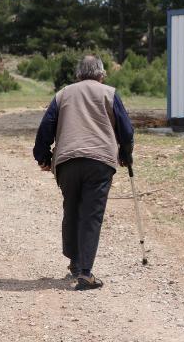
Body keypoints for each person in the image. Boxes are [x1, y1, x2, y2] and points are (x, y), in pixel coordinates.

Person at [33, 55, 134, 291]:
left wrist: (43, 157)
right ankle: (85, 273)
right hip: (99, 161)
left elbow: (45, 127)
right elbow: (126, 130)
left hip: (67, 161)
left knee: (72, 207)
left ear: (78, 74)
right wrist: (125, 155)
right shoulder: (109, 93)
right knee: (91, 214)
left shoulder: (63, 94)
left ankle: (75, 262)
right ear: (101, 74)